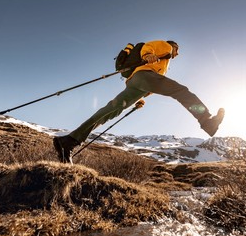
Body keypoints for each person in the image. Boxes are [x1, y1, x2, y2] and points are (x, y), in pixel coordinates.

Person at [53, 40, 225, 163]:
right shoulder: (166, 47)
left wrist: (141, 97)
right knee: (182, 92)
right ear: (174, 46)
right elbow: (148, 47)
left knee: (109, 111)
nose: (177, 54)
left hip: (135, 83)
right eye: (177, 50)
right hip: (143, 77)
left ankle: (69, 141)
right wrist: (149, 54)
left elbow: (150, 78)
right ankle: (207, 121)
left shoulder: (163, 63)